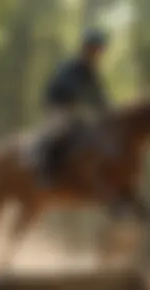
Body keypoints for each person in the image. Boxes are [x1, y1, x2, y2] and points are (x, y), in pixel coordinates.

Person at [38, 28, 110, 188]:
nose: (97, 53)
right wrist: (80, 97)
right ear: (85, 48)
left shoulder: (91, 72)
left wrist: (109, 112)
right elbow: (64, 86)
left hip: (75, 110)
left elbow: (99, 96)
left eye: (99, 49)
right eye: (94, 48)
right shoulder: (70, 67)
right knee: (60, 130)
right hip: (57, 106)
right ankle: (45, 171)